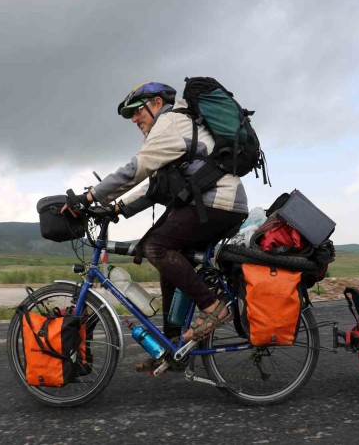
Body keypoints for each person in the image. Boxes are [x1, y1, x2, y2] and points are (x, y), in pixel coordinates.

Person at [64, 82, 248, 364]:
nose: (135, 119)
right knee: (170, 264)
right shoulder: (174, 130)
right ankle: (173, 348)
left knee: (156, 247)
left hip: (219, 205)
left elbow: (136, 169)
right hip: (217, 206)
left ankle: (214, 307)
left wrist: (89, 197)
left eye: (137, 111)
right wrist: (117, 207)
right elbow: (155, 188)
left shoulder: (171, 124)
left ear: (158, 103)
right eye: (131, 116)